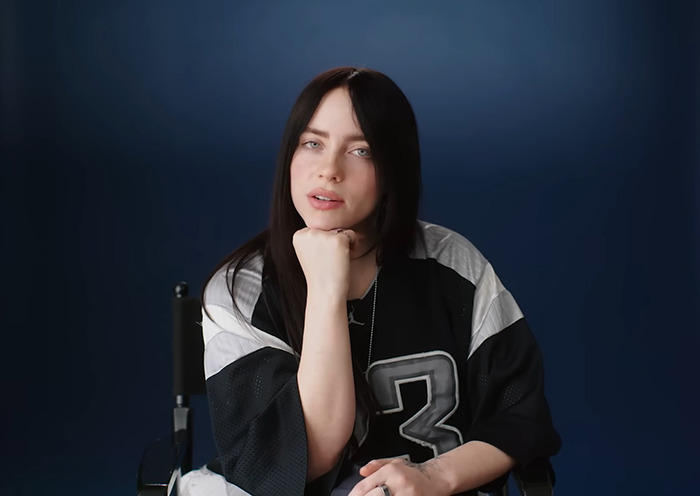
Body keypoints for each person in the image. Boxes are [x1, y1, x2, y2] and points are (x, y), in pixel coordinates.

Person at [190, 67, 561, 496]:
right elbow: (298, 459)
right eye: (312, 143)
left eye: (361, 151)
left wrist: (434, 477)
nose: (329, 170)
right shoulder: (241, 290)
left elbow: (522, 417)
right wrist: (327, 289)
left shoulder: (454, 264)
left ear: (393, 170)